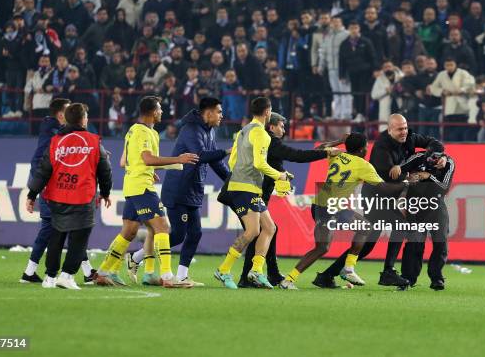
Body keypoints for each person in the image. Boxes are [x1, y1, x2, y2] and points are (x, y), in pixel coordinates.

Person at [314, 114, 446, 288]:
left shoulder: (410, 137)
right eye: (400, 129)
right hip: (375, 196)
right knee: (401, 225)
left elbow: (436, 144)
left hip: (388, 197)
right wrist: (408, 177)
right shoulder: (381, 148)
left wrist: (436, 156)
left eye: (405, 127)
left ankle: (326, 275)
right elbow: (387, 180)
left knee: (367, 245)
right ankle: (388, 272)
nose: (404, 132)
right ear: (389, 129)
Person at [279, 132, 409, 290]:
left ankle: (343, 269)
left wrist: (339, 140)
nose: (367, 150)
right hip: (330, 208)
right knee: (333, 242)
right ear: (362, 150)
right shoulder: (363, 165)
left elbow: (320, 148)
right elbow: (384, 188)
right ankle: (343, 269)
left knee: (353, 232)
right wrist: (406, 183)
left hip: (322, 205)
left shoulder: (337, 155)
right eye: (366, 148)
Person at [94, 96, 199, 287]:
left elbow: (125, 161)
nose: (162, 112)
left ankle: (103, 272)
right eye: (159, 109)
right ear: (151, 112)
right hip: (142, 187)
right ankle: (168, 277)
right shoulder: (143, 132)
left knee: (129, 231)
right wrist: (178, 160)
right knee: (163, 228)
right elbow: (148, 159)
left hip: (133, 185)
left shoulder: (135, 130)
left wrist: (150, 171)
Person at [126, 97, 230, 286]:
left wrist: (231, 180)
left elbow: (214, 161)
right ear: (209, 113)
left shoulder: (210, 132)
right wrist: (228, 151)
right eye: (220, 111)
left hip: (194, 188)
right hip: (178, 188)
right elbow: (201, 156)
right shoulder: (191, 129)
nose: (222, 116)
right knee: (176, 234)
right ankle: (137, 257)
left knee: (195, 233)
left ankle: (181, 274)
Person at [238, 112, 339, 288]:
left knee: (266, 232)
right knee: (262, 232)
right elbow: (298, 156)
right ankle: (248, 277)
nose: (284, 129)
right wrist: (326, 153)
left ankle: (269, 274)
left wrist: (332, 146)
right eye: (281, 126)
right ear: (271, 126)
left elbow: (299, 155)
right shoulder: (271, 142)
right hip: (252, 193)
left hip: (254, 193)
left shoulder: (267, 143)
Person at [25, 103, 113, 290]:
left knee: (57, 235)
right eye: (86, 116)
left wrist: (32, 194)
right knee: (79, 238)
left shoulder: (56, 141)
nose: (87, 119)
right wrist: (105, 192)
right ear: (82, 120)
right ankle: (67, 275)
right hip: (82, 195)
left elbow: (43, 170)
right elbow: (105, 170)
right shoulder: (93, 141)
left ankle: (49, 277)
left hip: (57, 195)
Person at [214, 97, 289, 289]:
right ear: (267, 112)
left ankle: (256, 270)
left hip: (245, 186)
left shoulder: (242, 131)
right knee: (253, 231)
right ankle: (223, 270)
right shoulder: (262, 134)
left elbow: (232, 161)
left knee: (269, 228)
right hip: (246, 187)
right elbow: (259, 163)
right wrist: (279, 175)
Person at [400, 151, 455, 290]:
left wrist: (429, 176)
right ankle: (407, 279)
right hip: (415, 206)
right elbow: (399, 174)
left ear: (443, 156)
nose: (436, 162)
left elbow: (444, 188)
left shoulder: (449, 163)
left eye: (438, 159)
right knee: (414, 243)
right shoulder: (416, 158)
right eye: (432, 159)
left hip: (436, 205)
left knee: (440, 242)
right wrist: (408, 180)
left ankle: (436, 278)